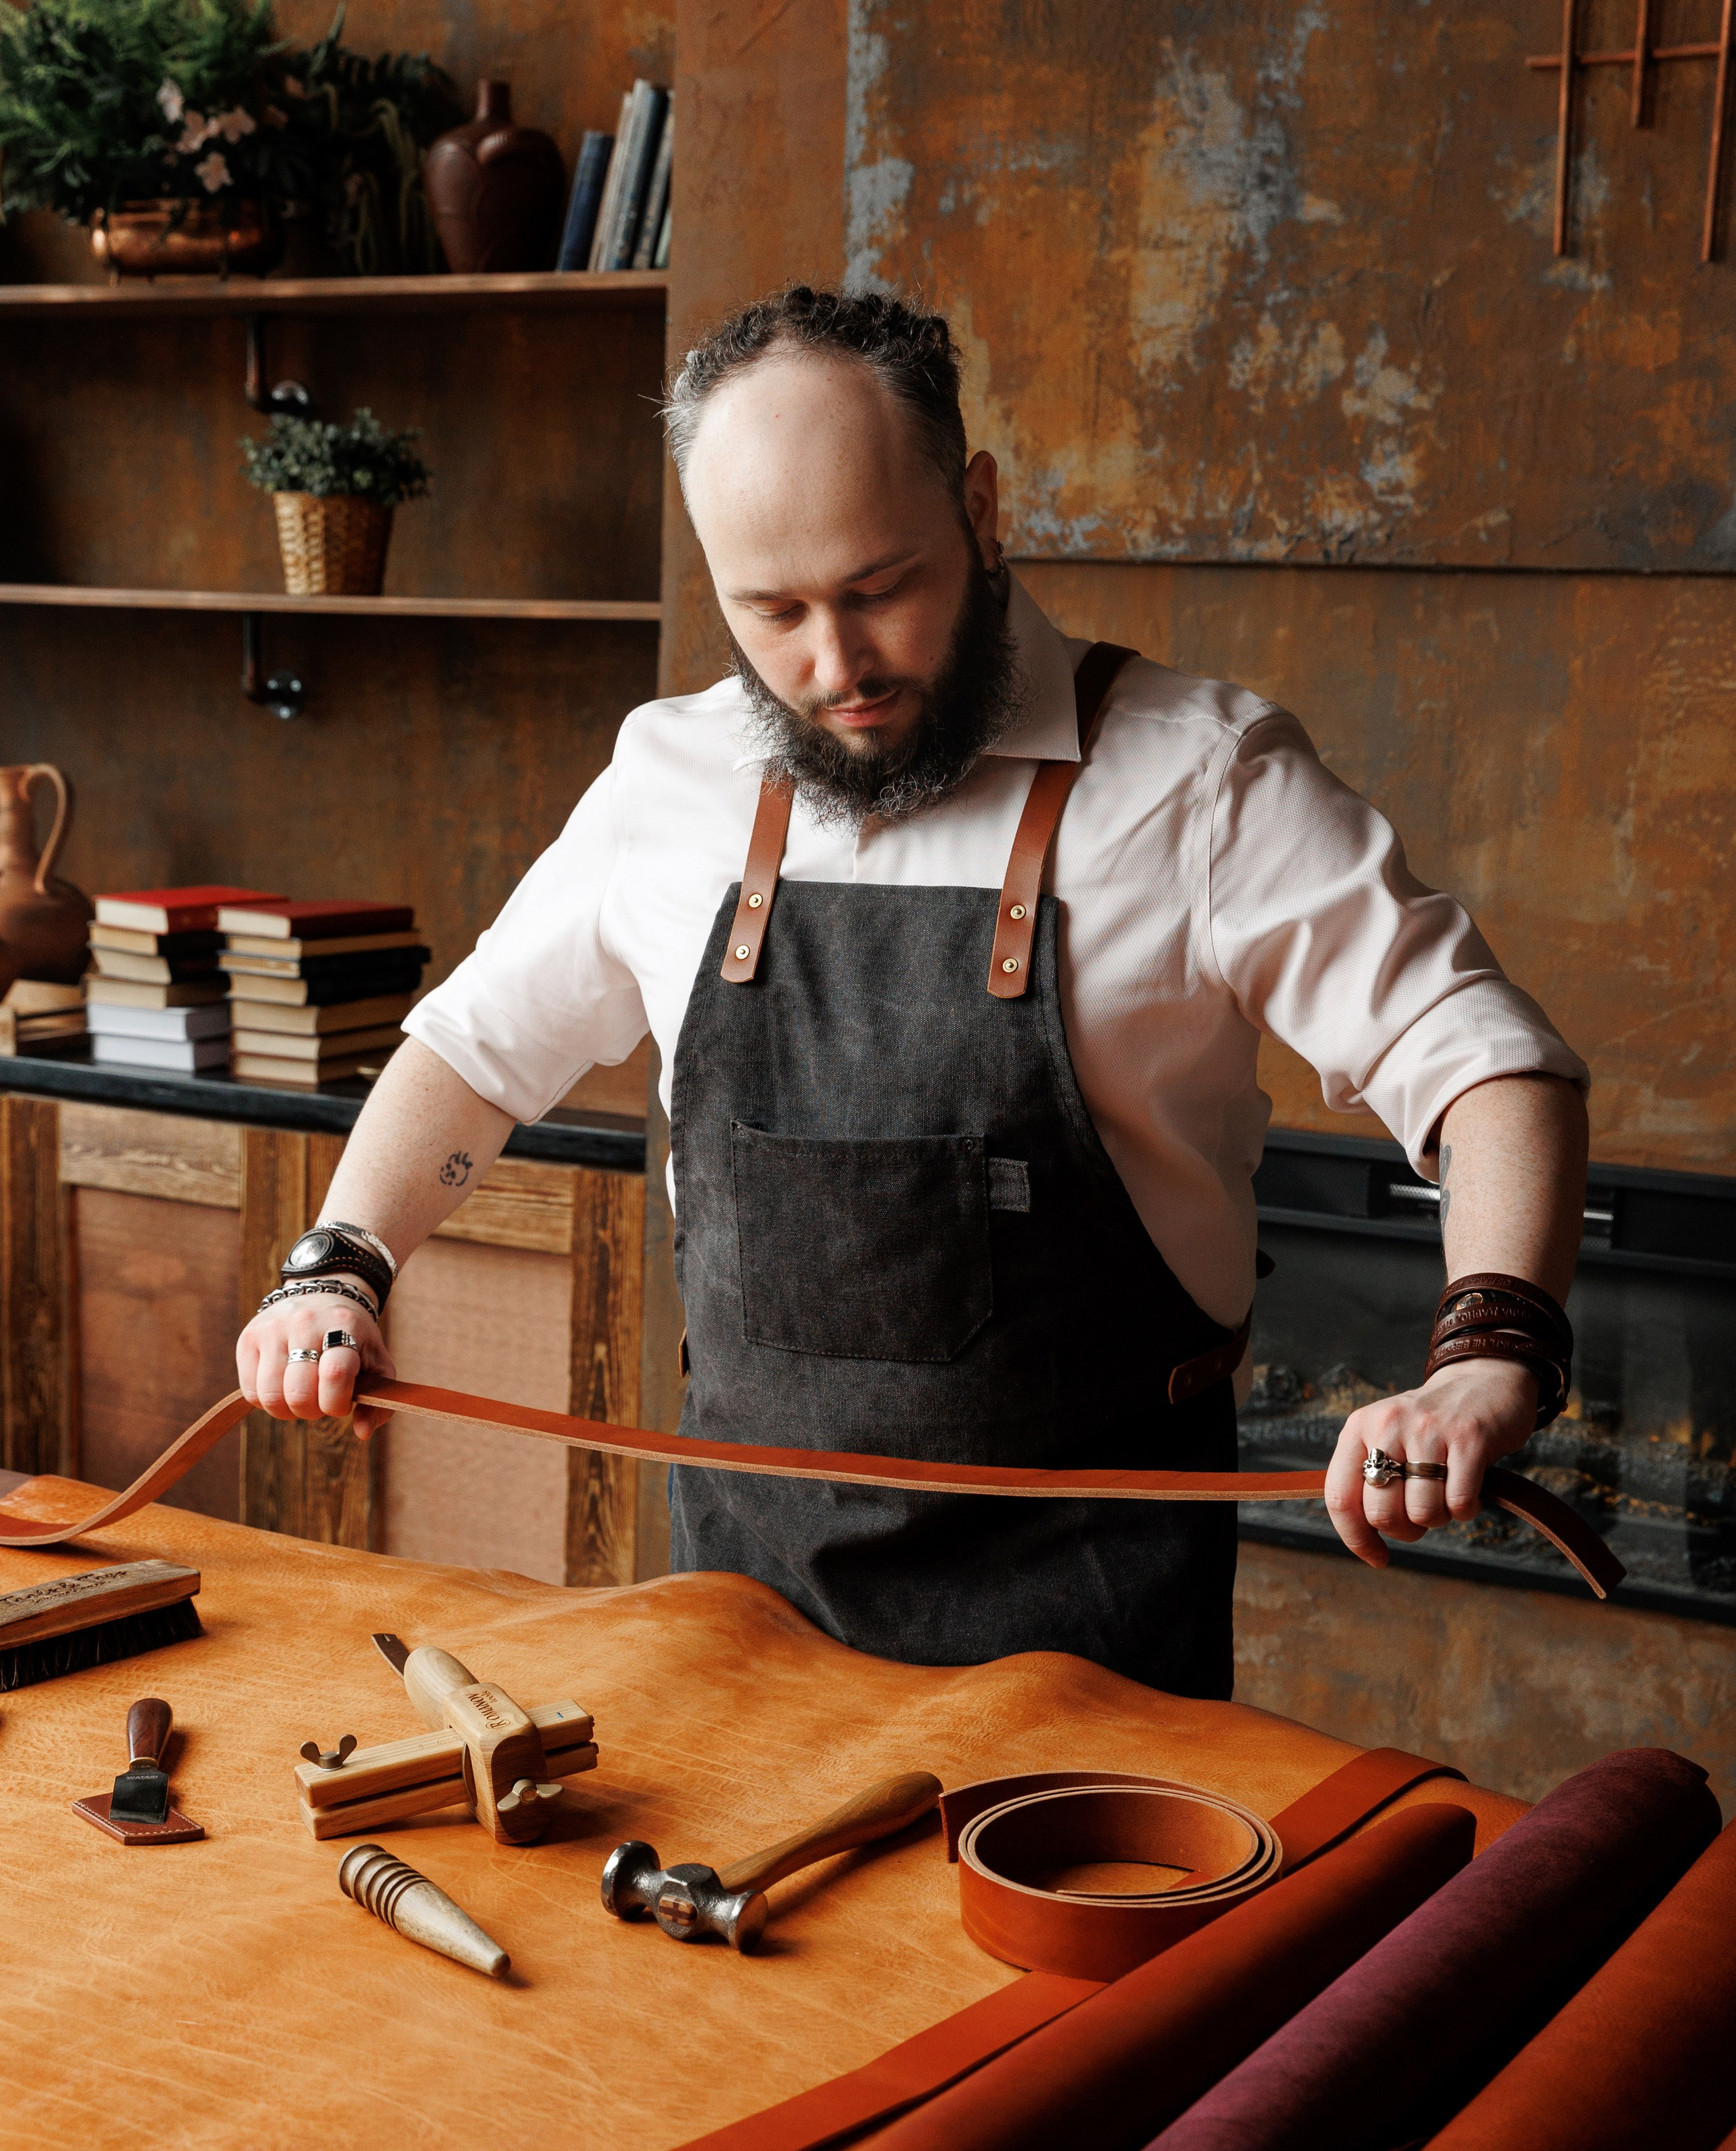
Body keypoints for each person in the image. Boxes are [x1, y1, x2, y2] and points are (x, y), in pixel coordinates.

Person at [237, 284, 1589, 1706]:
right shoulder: (667, 781)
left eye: (879, 589)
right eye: (772, 613)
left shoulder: (1200, 781)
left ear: (979, 509)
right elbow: (473, 1052)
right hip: (736, 1620)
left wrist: (1485, 1350)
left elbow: (1481, 1058)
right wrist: (340, 1264)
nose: (835, 669)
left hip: (1087, 1636)